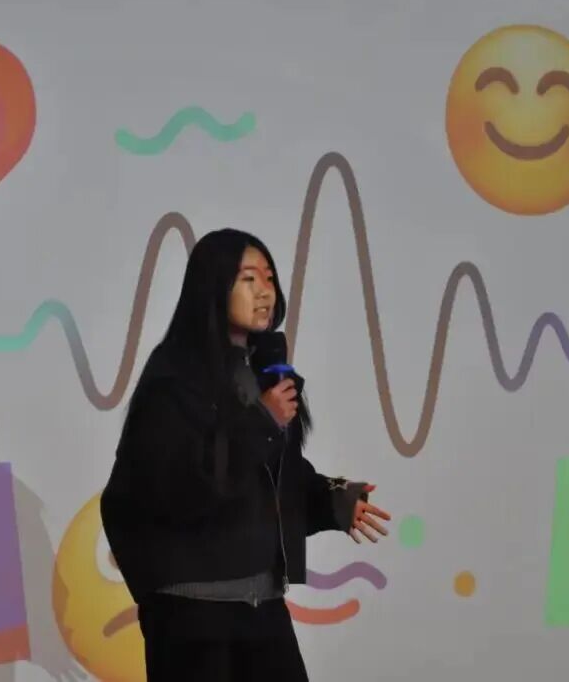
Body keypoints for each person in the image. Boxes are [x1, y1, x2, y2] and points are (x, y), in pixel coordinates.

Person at [100, 228, 391, 681]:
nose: (265, 292)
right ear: (213, 286)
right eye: (248, 279)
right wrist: (263, 422)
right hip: (193, 616)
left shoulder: (261, 374)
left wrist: (333, 499)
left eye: (269, 279)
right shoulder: (173, 380)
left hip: (262, 606)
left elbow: (267, 476)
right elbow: (180, 487)